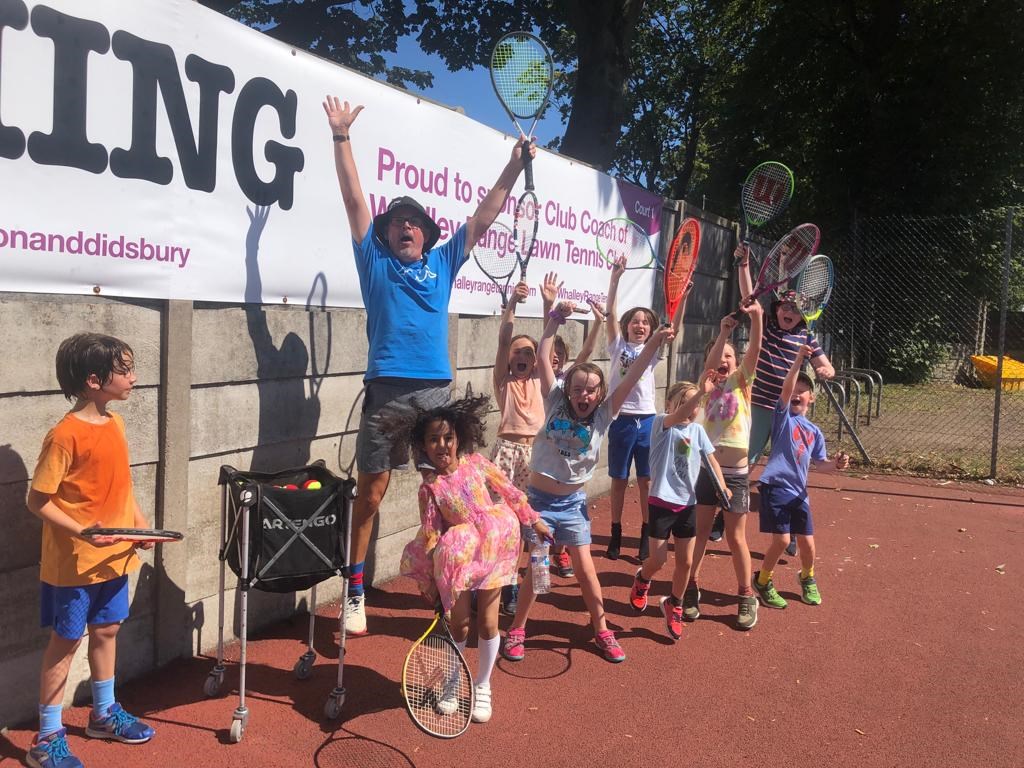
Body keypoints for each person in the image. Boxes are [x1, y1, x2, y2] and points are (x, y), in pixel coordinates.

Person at [323, 95, 536, 635]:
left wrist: (514, 163)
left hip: (436, 397)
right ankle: (354, 587)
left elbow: (487, 213)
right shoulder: (374, 263)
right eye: (397, 222)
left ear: (427, 234)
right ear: (388, 234)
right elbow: (352, 204)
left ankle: (452, 587)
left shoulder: (443, 262)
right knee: (370, 494)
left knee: (451, 497)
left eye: (414, 223)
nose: (405, 228)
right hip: (387, 393)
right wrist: (341, 137)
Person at [502, 300, 675, 664]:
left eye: (591, 390)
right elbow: (546, 354)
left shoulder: (605, 414)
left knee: (585, 571)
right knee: (538, 568)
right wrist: (552, 322)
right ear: (568, 391)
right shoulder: (554, 401)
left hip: (572, 505)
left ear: (600, 393)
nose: (584, 395)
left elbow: (633, 374)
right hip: (539, 503)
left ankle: (601, 629)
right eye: (578, 389)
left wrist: (657, 342)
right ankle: (517, 629)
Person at [25, 333, 156, 768]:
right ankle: (46, 738)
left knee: (107, 632)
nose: (134, 377)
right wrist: (83, 532)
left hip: (114, 557)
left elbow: (122, 487)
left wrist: (138, 527)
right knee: (64, 645)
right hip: (75, 566)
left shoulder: (115, 423)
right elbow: (37, 500)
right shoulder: (64, 436)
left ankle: (103, 713)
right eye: (125, 370)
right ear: (95, 380)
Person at [386, 393, 552, 724]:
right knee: (459, 623)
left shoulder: (477, 463)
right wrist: (432, 576)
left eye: (448, 437)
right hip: (460, 555)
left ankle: (483, 685)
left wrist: (533, 519)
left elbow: (510, 492)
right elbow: (431, 532)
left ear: (459, 437)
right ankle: (452, 678)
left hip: (496, 545)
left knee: (489, 622)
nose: (442, 445)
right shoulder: (429, 487)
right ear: (423, 446)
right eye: (433, 440)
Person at [737, 244, 836, 556]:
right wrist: (744, 265)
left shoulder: (806, 336)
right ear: (776, 309)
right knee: (745, 463)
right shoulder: (765, 326)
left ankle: (791, 532)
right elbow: (750, 296)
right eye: (784, 308)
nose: (788, 313)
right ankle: (724, 516)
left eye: (794, 310)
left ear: (803, 315)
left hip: (788, 415)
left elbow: (825, 364)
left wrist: (824, 369)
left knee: (791, 471)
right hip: (760, 406)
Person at [628, 377, 730, 640]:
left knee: (685, 562)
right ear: (669, 404)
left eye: (694, 404)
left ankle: (674, 604)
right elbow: (681, 414)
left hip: (687, 505)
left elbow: (711, 460)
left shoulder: (697, 432)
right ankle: (643, 579)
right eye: (683, 402)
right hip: (661, 502)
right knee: (658, 561)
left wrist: (723, 486)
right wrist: (700, 395)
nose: (691, 409)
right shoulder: (663, 425)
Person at [753, 345, 849, 610]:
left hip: (799, 492)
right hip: (775, 486)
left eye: (802, 391)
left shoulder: (814, 431)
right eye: (793, 390)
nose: (796, 394)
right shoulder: (782, 418)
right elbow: (786, 389)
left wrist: (837, 465)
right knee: (783, 540)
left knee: (807, 543)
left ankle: (807, 577)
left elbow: (821, 464)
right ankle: (763, 580)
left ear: (812, 399)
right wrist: (798, 359)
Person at [688, 302, 764, 630]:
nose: (723, 361)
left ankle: (747, 594)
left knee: (735, 537)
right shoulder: (706, 389)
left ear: (736, 364)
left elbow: (755, 351)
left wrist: (758, 318)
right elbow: (711, 361)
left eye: (729, 357)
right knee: (700, 532)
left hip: (735, 475)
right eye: (718, 357)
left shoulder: (740, 383)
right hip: (707, 471)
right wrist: (722, 334)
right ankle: (690, 586)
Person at [604, 255, 680, 562]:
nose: (641, 325)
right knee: (619, 480)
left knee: (646, 481)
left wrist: (682, 298)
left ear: (651, 330)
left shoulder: (653, 350)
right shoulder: (617, 346)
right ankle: (615, 532)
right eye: (635, 321)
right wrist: (616, 277)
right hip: (620, 420)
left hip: (647, 420)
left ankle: (647, 534)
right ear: (626, 326)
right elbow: (609, 312)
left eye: (646, 322)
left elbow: (675, 326)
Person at [540, 270, 606, 579]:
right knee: (531, 525)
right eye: (552, 356)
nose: (554, 360)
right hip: (540, 457)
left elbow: (586, 354)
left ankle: (561, 553)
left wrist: (598, 324)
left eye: (560, 357)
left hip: (568, 479)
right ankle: (527, 577)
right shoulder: (553, 390)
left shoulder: (572, 382)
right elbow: (544, 345)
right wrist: (550, 309)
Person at [489, 281, 546, 615]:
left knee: (531, 523)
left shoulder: (540, 382)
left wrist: (549, 309)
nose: (522, 356)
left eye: (529, 352)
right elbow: (502, 339)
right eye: (517, 352)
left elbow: (547, 347)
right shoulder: (504, 382)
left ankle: (530, 581)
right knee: (505, 525)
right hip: (506, 455)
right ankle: (507, 584)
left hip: (534, 455)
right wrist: (512, 303)